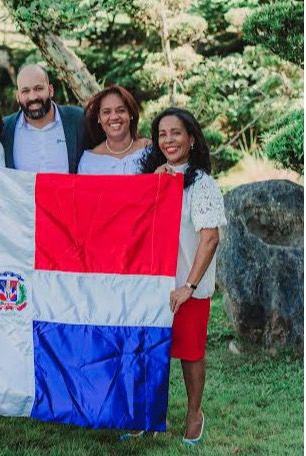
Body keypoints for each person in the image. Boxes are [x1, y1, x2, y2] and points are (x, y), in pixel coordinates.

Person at [139, 107, 227, 445]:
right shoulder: (155, 179)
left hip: (186, 285)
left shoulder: (202, 184)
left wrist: (188, 286)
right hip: (152, 284)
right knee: (150, 352)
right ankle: (147, 414)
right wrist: (154, 187)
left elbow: (210, 238)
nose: (168, 140)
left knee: (190, 354)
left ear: (191, 139)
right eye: (162, 134)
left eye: (176, 133)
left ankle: (194, 413)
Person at [0, 64, 85, 173]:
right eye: (25, 91)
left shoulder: (78, 120)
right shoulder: (4, 129)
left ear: (50, 90)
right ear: (18, 96)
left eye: (39, 88)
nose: (33, 97)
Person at [78, 85, 150, 175]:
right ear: (99, 118)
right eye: (106, 112)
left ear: (130, 114)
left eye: (120, 110)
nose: (114, 117)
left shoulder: (149, 150)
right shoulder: (89, 162)